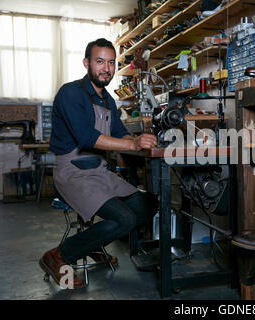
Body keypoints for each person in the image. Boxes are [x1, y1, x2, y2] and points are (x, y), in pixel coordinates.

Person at [39, 38, 158, 288]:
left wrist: (139, 140)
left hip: (100, 172)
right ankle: (58, 256)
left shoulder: (108, 101)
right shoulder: (71, 93)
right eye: (100, 61)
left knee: (148, 205)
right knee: (124, 219)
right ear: (87, 63)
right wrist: (132, 145)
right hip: (72, 173)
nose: (106, 68)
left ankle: (91, 243)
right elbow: (86, 137)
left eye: (111, 63)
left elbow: (120, 131)